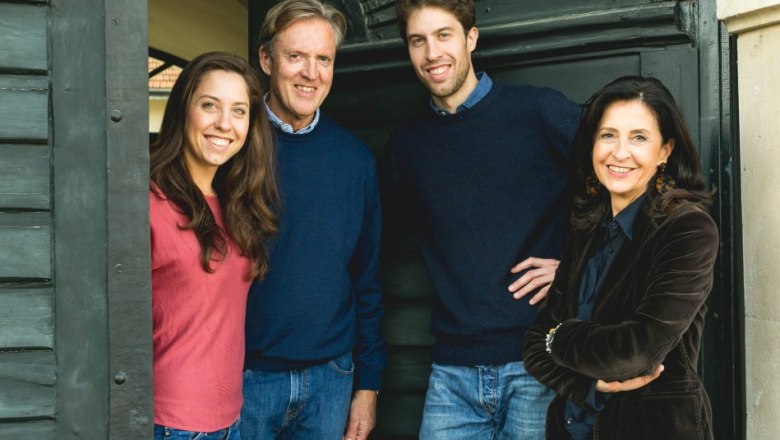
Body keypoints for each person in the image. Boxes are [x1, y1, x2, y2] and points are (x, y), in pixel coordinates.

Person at [386, 1, 582, 438]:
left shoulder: (538, 112)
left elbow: (622, 182)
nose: (431, 52)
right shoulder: (407, 146)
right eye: (418, 40)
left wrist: (576, 270)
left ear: (470, 38)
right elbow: (369, 240)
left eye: (443, 35)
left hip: (537, 363)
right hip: (451, 375)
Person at [522, 76, 718, 440]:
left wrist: (560, 337)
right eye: (608, 135)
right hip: (572, 427)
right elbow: (534, 347)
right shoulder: (587, 227)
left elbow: (635, 353)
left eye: (639, 137)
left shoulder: (688, 230)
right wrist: (587, 384)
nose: (620, 152)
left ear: (665, 151)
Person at [240, 1, 386, 439]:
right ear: (266, 60)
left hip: (331, 378)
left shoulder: (354, 159)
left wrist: (369, 385)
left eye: (323, 59)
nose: (310, 72)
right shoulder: (233, 145)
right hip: (245, 378)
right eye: (295, 56)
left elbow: (367, 277)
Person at [149, 51, 278, 440]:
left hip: (231, 419)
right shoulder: (148, 202)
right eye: (210, 105)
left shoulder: (234, 203)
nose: (224, 123)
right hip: (170, 424)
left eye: (239, 111)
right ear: (183, 109)